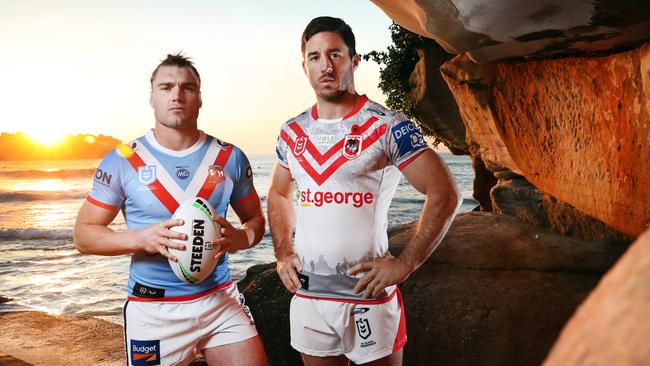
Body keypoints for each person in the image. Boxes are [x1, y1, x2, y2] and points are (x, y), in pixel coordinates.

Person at [268, 17, 462, 365]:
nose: (325, 66)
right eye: (315, 57)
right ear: (305, 66)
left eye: (335, 54)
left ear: (354, 61)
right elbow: (280, 193)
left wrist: (404, 265)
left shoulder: (388, 125)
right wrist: (283, 253)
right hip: (310, 297)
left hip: (367, 297)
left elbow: (445, 193)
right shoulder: (291, 132)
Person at [74, 53, 268, 366]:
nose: (177, 94)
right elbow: (84, 235)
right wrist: (141, 239)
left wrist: (241, 239)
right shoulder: (123, 159)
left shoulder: (230, 156)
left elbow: (255, 220)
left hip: (220, 299)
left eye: (187, 87)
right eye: (166, 87)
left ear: (200, 98)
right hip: (154, 309)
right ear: (151, 97)